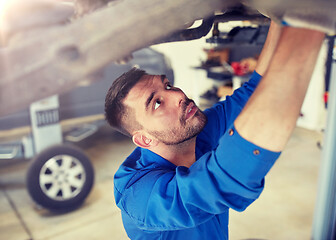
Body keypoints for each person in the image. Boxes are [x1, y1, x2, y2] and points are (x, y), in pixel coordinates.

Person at [104, 21, 325, 240]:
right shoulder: (139, 196)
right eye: (157, 103)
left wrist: (282, 17)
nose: (178, 95)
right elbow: (221, 182)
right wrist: (309, 21)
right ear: (144, 139)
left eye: (168, 85)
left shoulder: (193, 133)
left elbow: (251, 92)